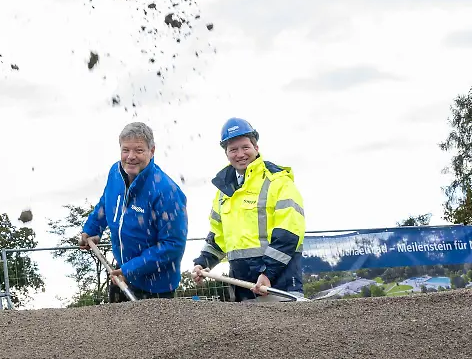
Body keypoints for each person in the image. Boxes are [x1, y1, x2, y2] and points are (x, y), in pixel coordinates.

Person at [191, 118, 306, 302]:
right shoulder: (223, 192)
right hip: (242, 287)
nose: (240, 154)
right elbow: (219, 237)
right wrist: (202, 263)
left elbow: (289, 233)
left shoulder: (278, 181)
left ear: (256, 148)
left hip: (279, 284)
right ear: (226, 154)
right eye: (233, 149)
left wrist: (268, 273)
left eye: (245, 147)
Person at [78, 122, 189, 301]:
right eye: (125, 150)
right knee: (116, 328)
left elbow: (172, 245)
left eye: (139, 150)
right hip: (121, 272)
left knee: (152, 330)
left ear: (152, 151)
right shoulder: (115, 172)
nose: (130, 157)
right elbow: (105, 202)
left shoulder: (167, 191)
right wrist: (92, 229)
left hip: (156, 286)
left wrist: (131, 270)